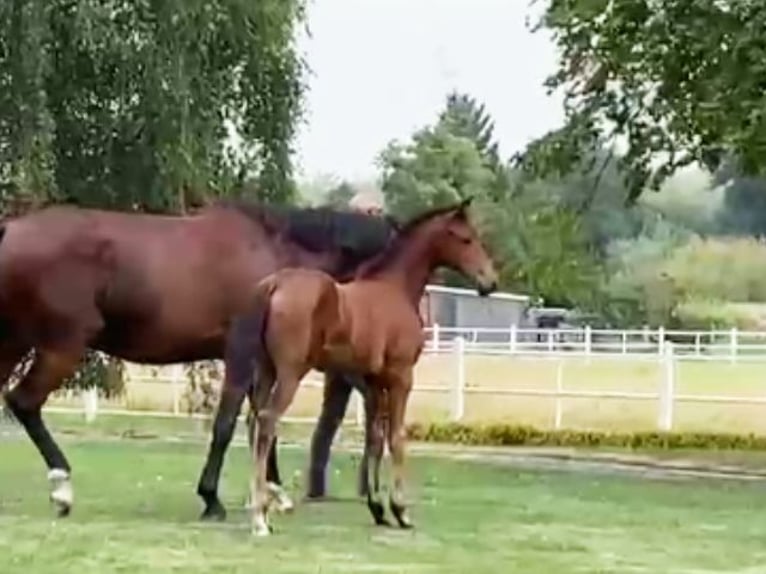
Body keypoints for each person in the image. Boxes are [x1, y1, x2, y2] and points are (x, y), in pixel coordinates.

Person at [305, 190, 390, 499]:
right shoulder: (369, 258)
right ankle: (367, 485)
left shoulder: (342, 252)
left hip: (341, 345)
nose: (377, 218)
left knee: (331, 414)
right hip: (356, 346)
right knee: (374, 408)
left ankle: (317, 485)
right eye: (373, 213)